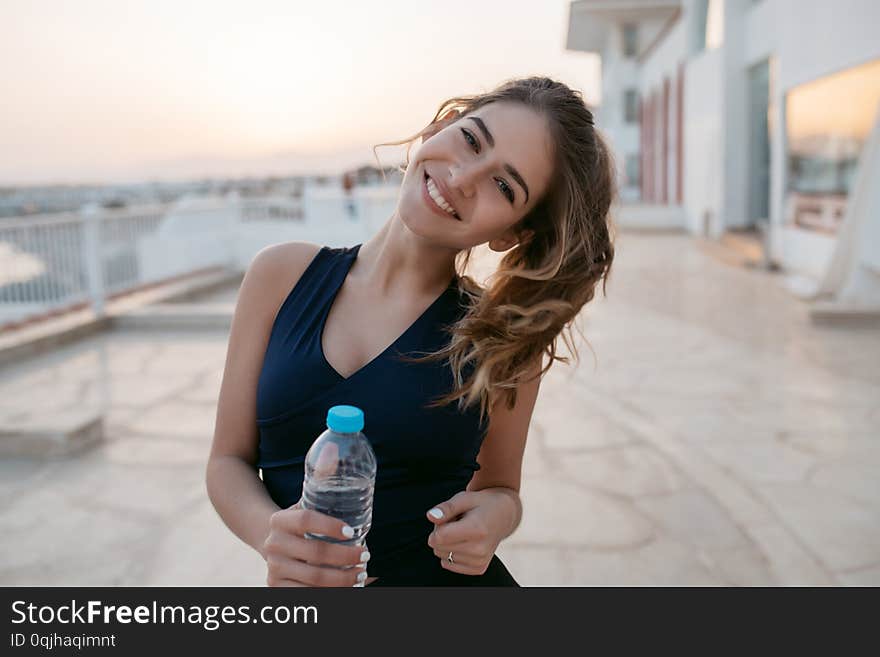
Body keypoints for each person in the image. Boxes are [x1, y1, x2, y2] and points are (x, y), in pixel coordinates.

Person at [205, 76, 616, 587]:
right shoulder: (279, 275)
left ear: (513, 233)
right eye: (470, 139)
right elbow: (227, 460)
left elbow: (501, 490)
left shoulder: (502, 341)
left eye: (504, 186)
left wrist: (495, 519)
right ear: (440, 126)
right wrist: (271, 536)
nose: (464, 177)